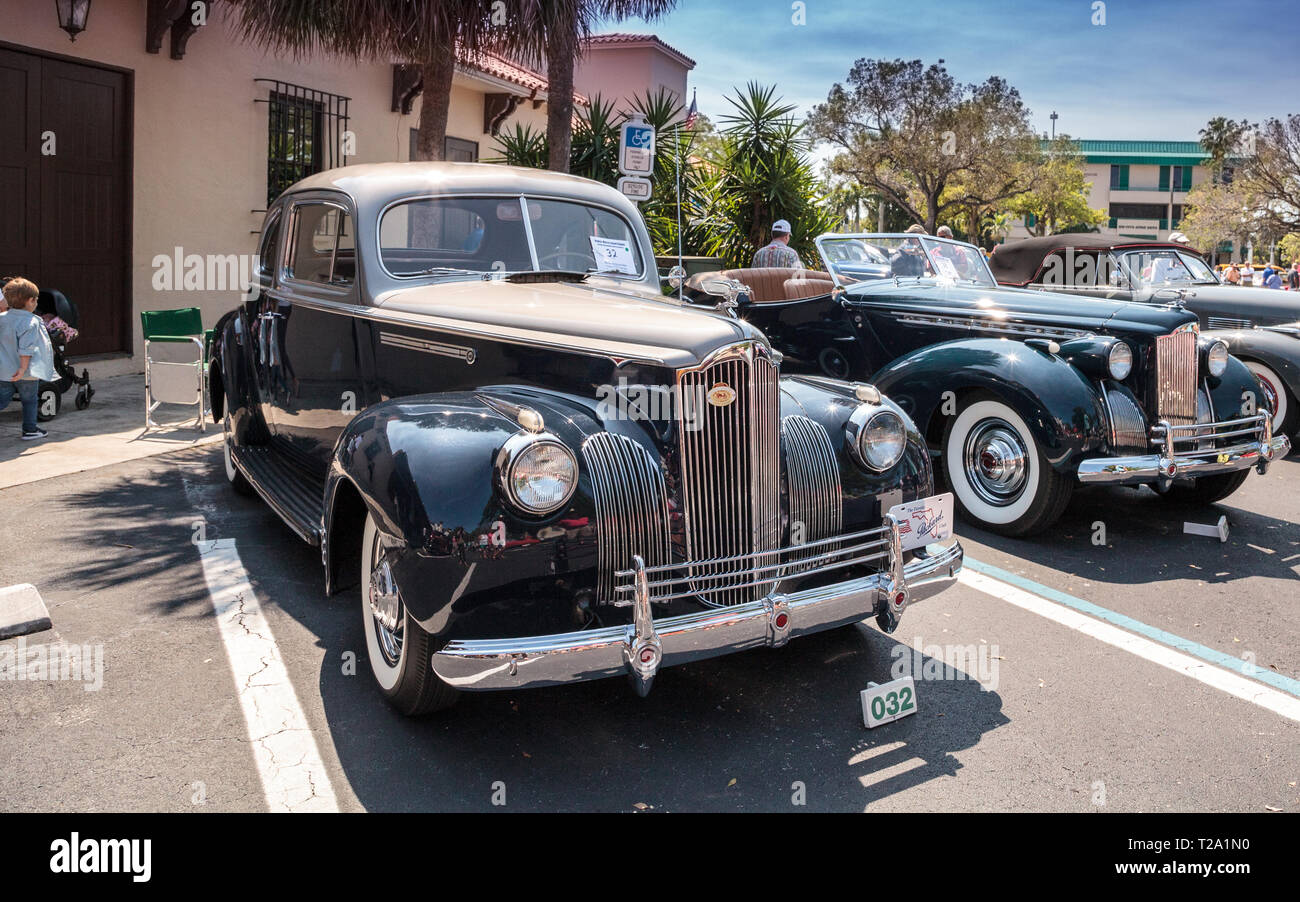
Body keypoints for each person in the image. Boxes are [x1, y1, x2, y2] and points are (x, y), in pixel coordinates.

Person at [0, 277, 54, 440]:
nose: (37, 302)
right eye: (36, 299)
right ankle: (30, 430)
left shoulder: (2, 319)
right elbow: (26, 348)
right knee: (29, 400)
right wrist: (23, 368)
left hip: (3, 370)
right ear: (30, 301)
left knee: (2, 399)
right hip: (26, 372)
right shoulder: (31, 322)